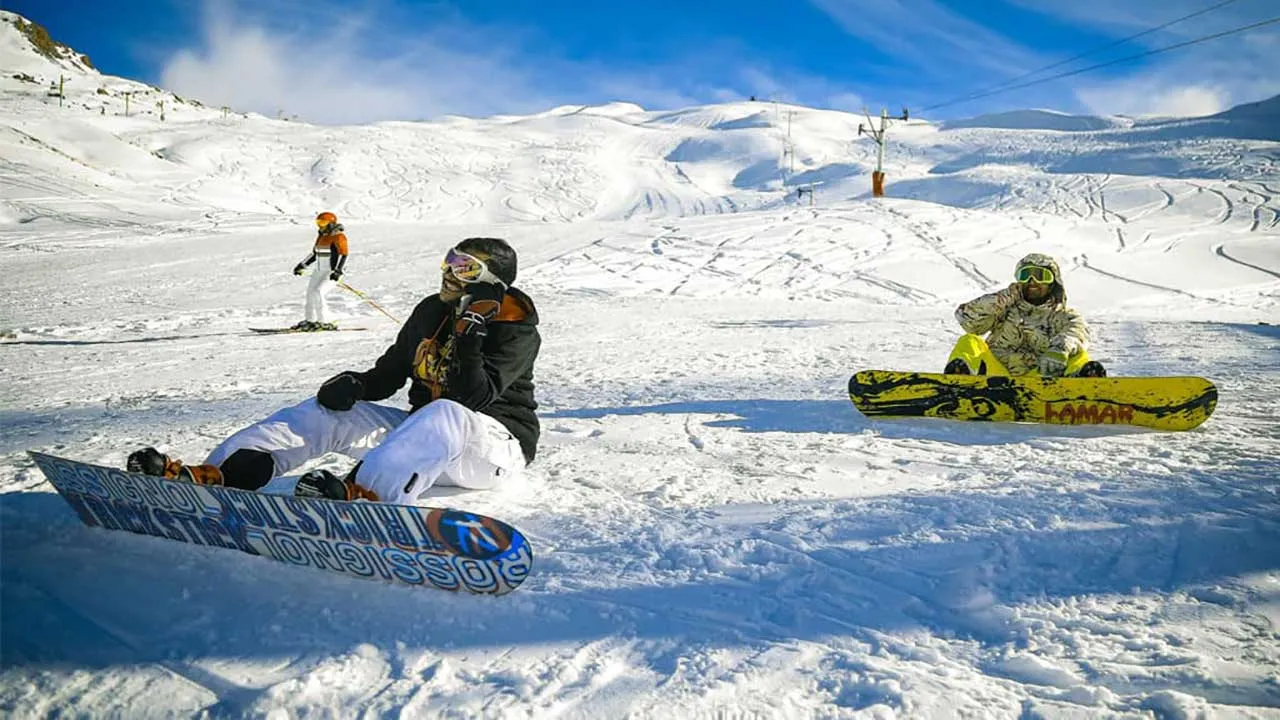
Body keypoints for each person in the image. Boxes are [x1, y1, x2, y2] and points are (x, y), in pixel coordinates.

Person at [128, 237, 540, 505]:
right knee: (328, 413)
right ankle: (219, 476)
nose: (450, 272)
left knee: (445, 411)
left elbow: (469, 401)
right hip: (425, 443)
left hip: (493, 451)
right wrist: (357, 384)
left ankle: (366, 499)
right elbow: (391, 372)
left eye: (465, 268)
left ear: (490, 283)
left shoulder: (516, 328)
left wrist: (471, 331)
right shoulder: (431, 311)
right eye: (450, 260)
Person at [944, 253, 1106, 378]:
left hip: (1042, 380)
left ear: (1053, 283)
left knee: (1078, 354)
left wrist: (1059, 349)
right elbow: (968, 321)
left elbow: (1077, 333)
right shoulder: (1004, 308)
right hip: (996, 378)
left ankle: (1085, 385)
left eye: (1041, 276)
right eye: (1025, 275)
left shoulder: (1065, 316)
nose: (1032, 281)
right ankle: (960, 381)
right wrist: (1002, 299)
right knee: (969, 341)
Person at [290, 211, 350, 331]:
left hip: (331, 271)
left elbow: (343, 254)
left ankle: (326, 321)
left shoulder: (338, 236)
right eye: (319, 223)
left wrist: (337, 271)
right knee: (310, 294)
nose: (320, 226)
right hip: (319, 270)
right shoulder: (322, 236)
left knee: (318, 291)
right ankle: (310, 320)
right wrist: (302, 265)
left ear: (331, 223)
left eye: (323, 223)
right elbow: (314, 254)